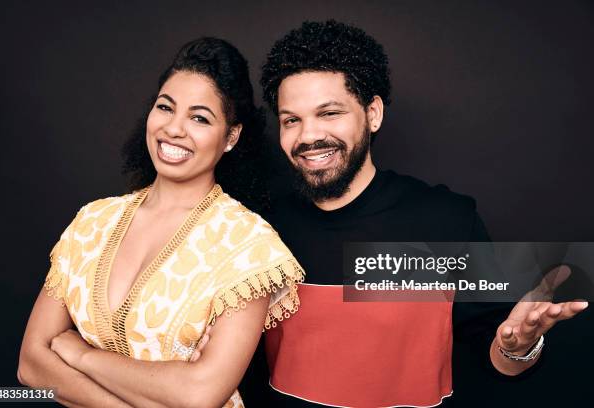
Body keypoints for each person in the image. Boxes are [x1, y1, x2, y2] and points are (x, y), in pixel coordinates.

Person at [235, 20, 586, 407]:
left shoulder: (445, 219)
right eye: (291, 120)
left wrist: (519, 347)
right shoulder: (261, 226)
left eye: (329, 113)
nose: (307, 136)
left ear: (373, 113)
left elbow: (499, 353)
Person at [17, 37, 304, 408]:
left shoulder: (248, 245)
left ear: (230, 136)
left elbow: (199, 394)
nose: (174, 129)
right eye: (165, 107)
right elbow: (31, 365)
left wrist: (80, 355)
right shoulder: (93, 221)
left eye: (199, 118)